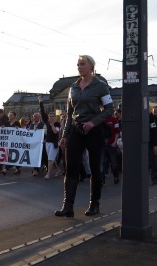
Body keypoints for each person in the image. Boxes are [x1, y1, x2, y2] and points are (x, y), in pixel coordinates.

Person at [55, 55, 114, 217]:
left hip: (93, 131)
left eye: (82, 64)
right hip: (75, 129)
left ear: (91, 67)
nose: (79, 67)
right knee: (71, 168)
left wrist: (94, 122)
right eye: (78, 64)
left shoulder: (101, 86)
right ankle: (68, 207)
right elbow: (69, 113)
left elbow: (110, 109)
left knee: (95, 168)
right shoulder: (73, 88)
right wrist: (65, 136)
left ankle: (94, 204)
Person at [38, 95, 61, 179]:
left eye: (52, 117)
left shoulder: (57, 124)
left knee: (50, 159)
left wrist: (52, 125)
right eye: (50, 117)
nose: (51, 118)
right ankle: (58, 170)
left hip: (54, 143)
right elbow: (43, 112)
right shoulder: (47, 122)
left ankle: (48, 173)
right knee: (51, 158)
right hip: (47, 142)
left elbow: (56, 132)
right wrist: (40, 101)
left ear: (55, 117)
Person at [29, 112, 45, 176]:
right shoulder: (31, 125)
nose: (34, 118)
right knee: (34, 156)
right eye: (34, 116)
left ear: (39, 117)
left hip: (40, 143)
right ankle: (36, 169)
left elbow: (45, 133)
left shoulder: (43, 124)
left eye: (36, 116)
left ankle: (36, 169)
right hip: (33, 143)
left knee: (39, 157)